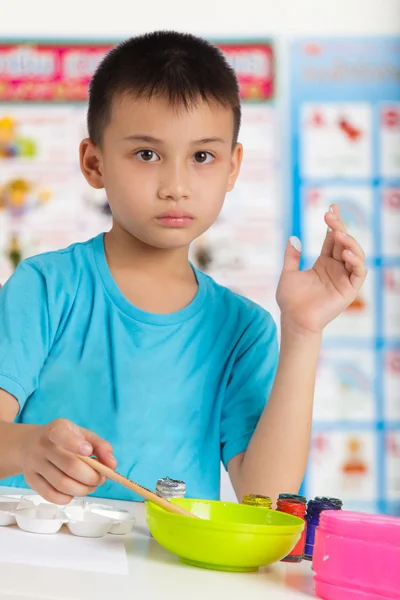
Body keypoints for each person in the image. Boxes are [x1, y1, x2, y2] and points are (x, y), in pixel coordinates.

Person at [0, 31, 367, 504]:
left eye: (202, 156)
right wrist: (28, 447)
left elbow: (267, 496)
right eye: (147, 154)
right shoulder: (45, 288)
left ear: (232, 167)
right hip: (37, 572)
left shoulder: (243, 330)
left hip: (170, 576)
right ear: (94, 163)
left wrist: (302, 329)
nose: (176, 185)